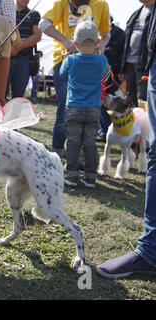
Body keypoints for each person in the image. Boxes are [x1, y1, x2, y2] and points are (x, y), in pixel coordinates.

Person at [97, 2, 156, 278]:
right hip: (146, 63)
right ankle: (150, 250)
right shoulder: (137, 15)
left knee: (149, 150)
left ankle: (150, 250)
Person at [39, 0, 111, 158]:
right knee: (65, 107)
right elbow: (43, 24)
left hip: (91, 62)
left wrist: (102, 45)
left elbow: (106, 34)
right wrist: (65, 40)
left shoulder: (101, 5)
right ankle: (57, 152)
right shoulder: (61, 3)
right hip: (66, 60)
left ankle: (83, 154)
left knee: (90, 108)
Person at [60, 21, 109, 188]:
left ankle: (72, 176)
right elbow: (105, 73)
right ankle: (90, 177)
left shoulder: (71, 60)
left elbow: (61, 75)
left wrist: (65, 58)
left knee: (73, 142)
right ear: (96, 43)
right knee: (90, 142)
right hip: (94, 108)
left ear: (75, 43)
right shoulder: (102, 60)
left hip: (74, 107)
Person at [118, 0, 154, 108]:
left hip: (144, 64)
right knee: (130, 97)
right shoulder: (136, 13)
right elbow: (126, 40)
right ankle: (134, 123)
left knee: (143, 97)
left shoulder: (154, 12)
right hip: (129, 63)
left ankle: (145, 123)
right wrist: (122, 68)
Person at [5, 0, 41, 99]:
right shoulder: (6, 14)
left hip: (24, 60)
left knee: (18, 97)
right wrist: (11, 47)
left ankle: (15, 115)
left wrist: (18, 46)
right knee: (1, 94)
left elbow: (37, 36)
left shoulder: (34, 14)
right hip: (5, 58)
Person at [98, 16, 125, 142]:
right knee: (101, 101)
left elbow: (115, 51)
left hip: (113, 72)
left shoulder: (118, 33)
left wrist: (97, 48)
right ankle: (103, 130)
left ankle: (108, 131)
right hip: (100, 71)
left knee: (108, 102)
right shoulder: (96, 32)